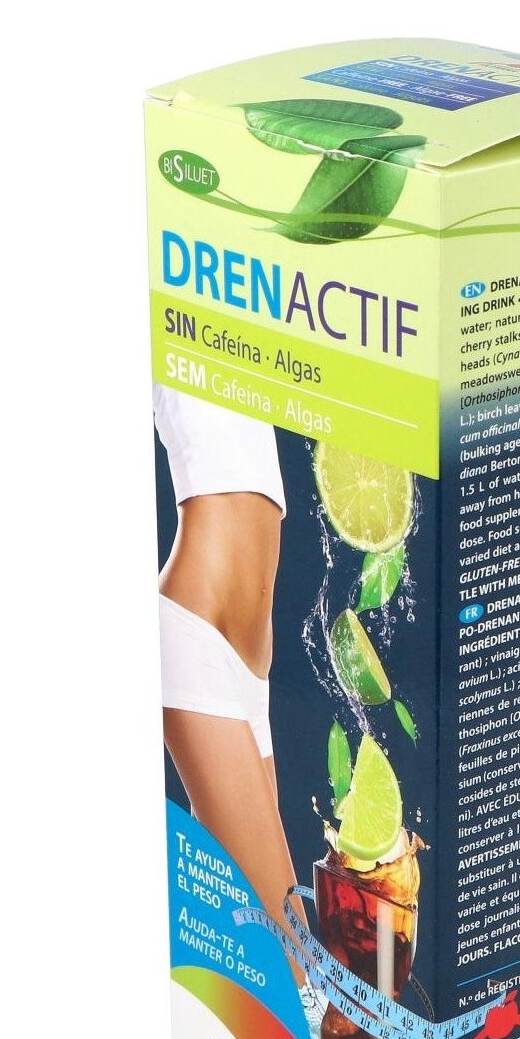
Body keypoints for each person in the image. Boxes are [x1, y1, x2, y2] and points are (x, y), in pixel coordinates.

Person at [154, 383, 301, 965]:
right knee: (296, 966)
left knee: (255, 954)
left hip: (253, 666)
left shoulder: (249, 334)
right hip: (195, 629)